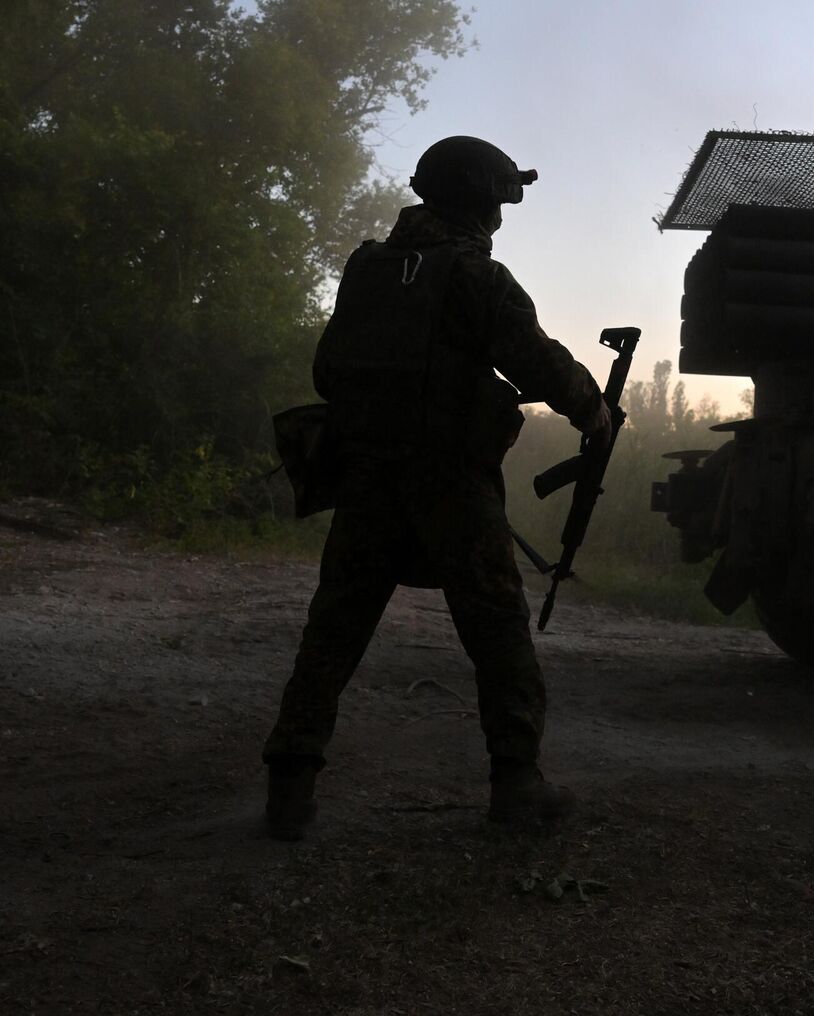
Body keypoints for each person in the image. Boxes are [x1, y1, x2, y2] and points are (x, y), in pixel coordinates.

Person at [260, 136, 611, 841]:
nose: (502, 219)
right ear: (482, 201)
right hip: (450, 484)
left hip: (366, 479)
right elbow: (537, 362)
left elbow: (328, 372)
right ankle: (518, 784)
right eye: (500, 203)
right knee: (498, 630)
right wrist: (592, 408)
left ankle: (289, 790)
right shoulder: (477, 279)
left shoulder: (367, 268)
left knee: (333, 632)